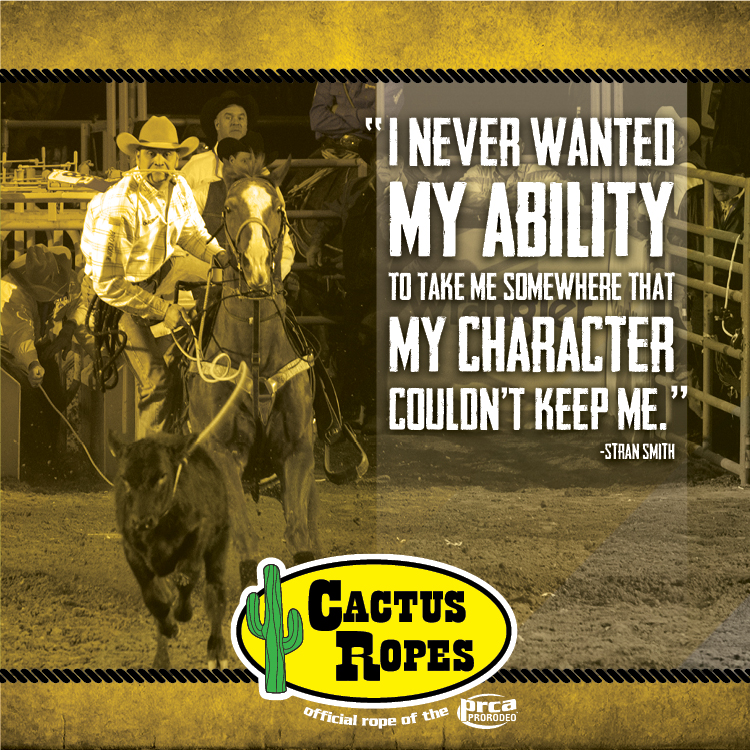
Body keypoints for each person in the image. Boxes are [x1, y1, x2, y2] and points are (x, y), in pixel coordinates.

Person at [79, 115, 230, 438]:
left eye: (166, 154)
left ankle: (177, 437)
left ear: (177, 158)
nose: (159, 160)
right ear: (138, 157)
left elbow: (191, 233)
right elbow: (109, 284)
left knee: (225, 282)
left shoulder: (180, 187)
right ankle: (148, 460)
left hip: (155, 280)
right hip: (115, 298)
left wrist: (220, 256)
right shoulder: (120, 205)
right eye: (151, 153)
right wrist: (164, 310)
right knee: (157, 382)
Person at [1, 244, 94, 477]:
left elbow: (80, 304)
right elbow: (19, 333)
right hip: (5, 350)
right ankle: (31, 465)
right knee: (27, 399)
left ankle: (49, 459)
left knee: (55, 397)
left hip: (38, 343)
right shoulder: (10, 290)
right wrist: (32, 363)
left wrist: (68, 330)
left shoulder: (67, 279)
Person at [180, 90, 260, 214]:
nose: (236, 122)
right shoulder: (196, 167)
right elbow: (177, 213)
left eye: (241, 118)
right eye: (228, 117)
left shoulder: (260, 170)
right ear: (217, 124)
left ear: (246, 125)